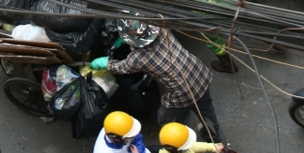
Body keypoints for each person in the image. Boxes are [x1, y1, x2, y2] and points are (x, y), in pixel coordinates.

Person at [91, 19, 223, 143]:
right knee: (206, 109)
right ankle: (214, 135)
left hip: (182, 92)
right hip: (198, 73)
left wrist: (105, 63)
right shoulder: (163, 29)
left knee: (164, 116)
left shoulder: (139, 58)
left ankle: (175, 139)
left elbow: (120, 67)